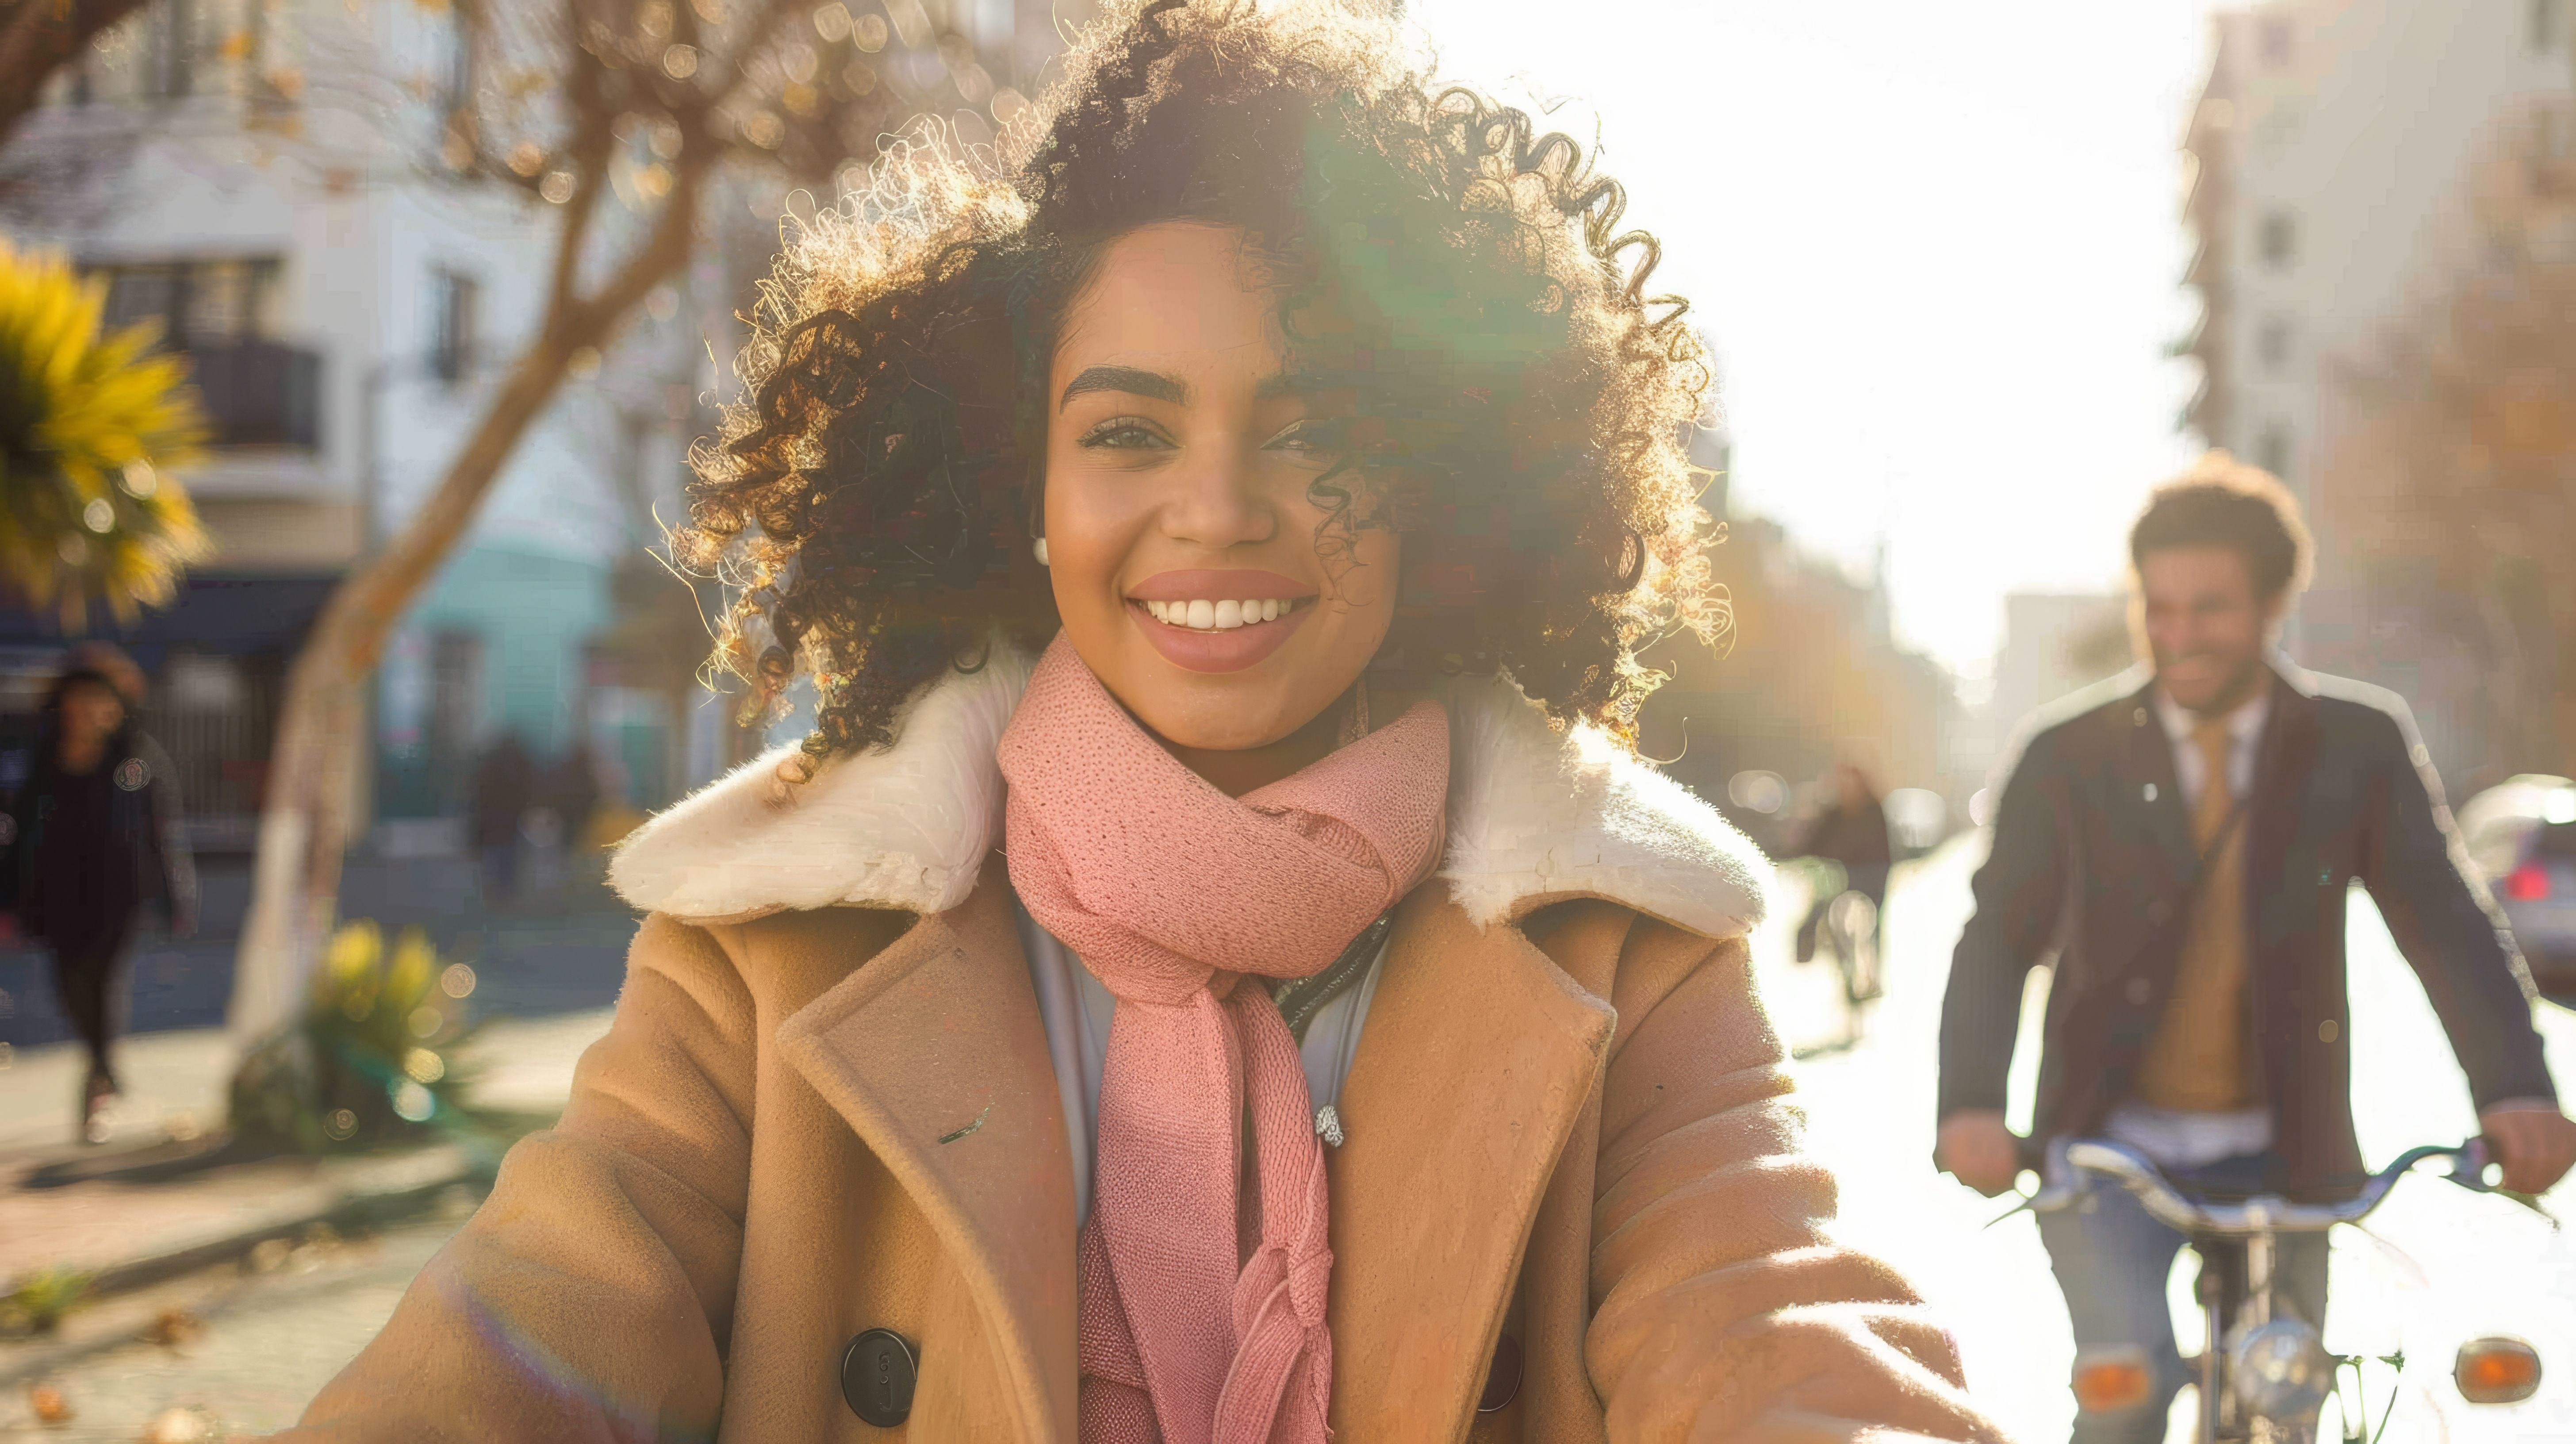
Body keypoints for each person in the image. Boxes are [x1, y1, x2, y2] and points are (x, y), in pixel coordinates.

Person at [283, 4, 2002, 1439]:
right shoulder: (768, 955)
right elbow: (521, 1343)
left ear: (1443, 488)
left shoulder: (1632, 959)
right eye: (1124, 433)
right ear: (1020, 485)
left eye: (1311, 430)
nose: (1217, 509)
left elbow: (1775, 1328)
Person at [1934, 455, 2576, 1441]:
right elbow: (1994, 940)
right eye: (2160, 608)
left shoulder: (2354, 742)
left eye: (2210, 608)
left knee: (2291, 1399)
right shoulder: (2066, 754)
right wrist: (1971, 1104)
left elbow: (2444, 921)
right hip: (2104, 1149)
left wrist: (2514, 1091)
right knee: (2126, 1389)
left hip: (2292, 1153)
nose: (2178, 635)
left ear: (2274, 601)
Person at [0, 655, 195, 1144]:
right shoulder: (44, 761)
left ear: (114, 709)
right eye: (78, 702)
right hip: (56, 895)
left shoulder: (134, 762)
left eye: (98, 702)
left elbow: (161, 833)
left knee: (102, 985)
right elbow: (18, 834)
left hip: (116, 895)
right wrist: (8, 898)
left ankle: (97, 1083)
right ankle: (106, 1067)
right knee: (69, 988)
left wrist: (175, 897)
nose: (87, 712)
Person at [1790, 761, 1892, 974]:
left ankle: (1874, 969)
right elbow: (1814, 842)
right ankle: (1805, 955)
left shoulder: (1873, 811)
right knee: (1818, 909)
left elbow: (1880, 848)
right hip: (1841, 876)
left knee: (1875, 921)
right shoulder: (1835, 813)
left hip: (1870, 877)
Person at [468, 733, 533, 904]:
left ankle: (493, 897)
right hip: (507, 826)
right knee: (507, 863)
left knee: (493, 863)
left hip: (492, 826)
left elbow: (478, 798)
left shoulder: (489, 770)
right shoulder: (517, 770)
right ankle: (504, 896)